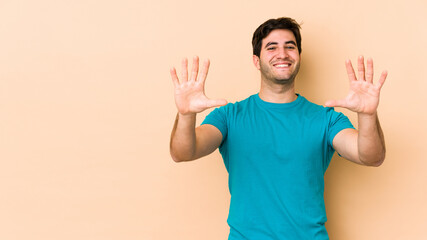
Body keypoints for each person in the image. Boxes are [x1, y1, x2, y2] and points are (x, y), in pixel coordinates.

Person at [169, 17, 387, 240]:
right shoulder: (229, 116)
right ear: (256, 60)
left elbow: (371, 156)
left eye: (290, 47)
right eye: (271, 47)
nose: (282, 54)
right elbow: (183, 152)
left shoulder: (326, 119)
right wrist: (186, 115)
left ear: (298, 57)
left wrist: (367, 115)